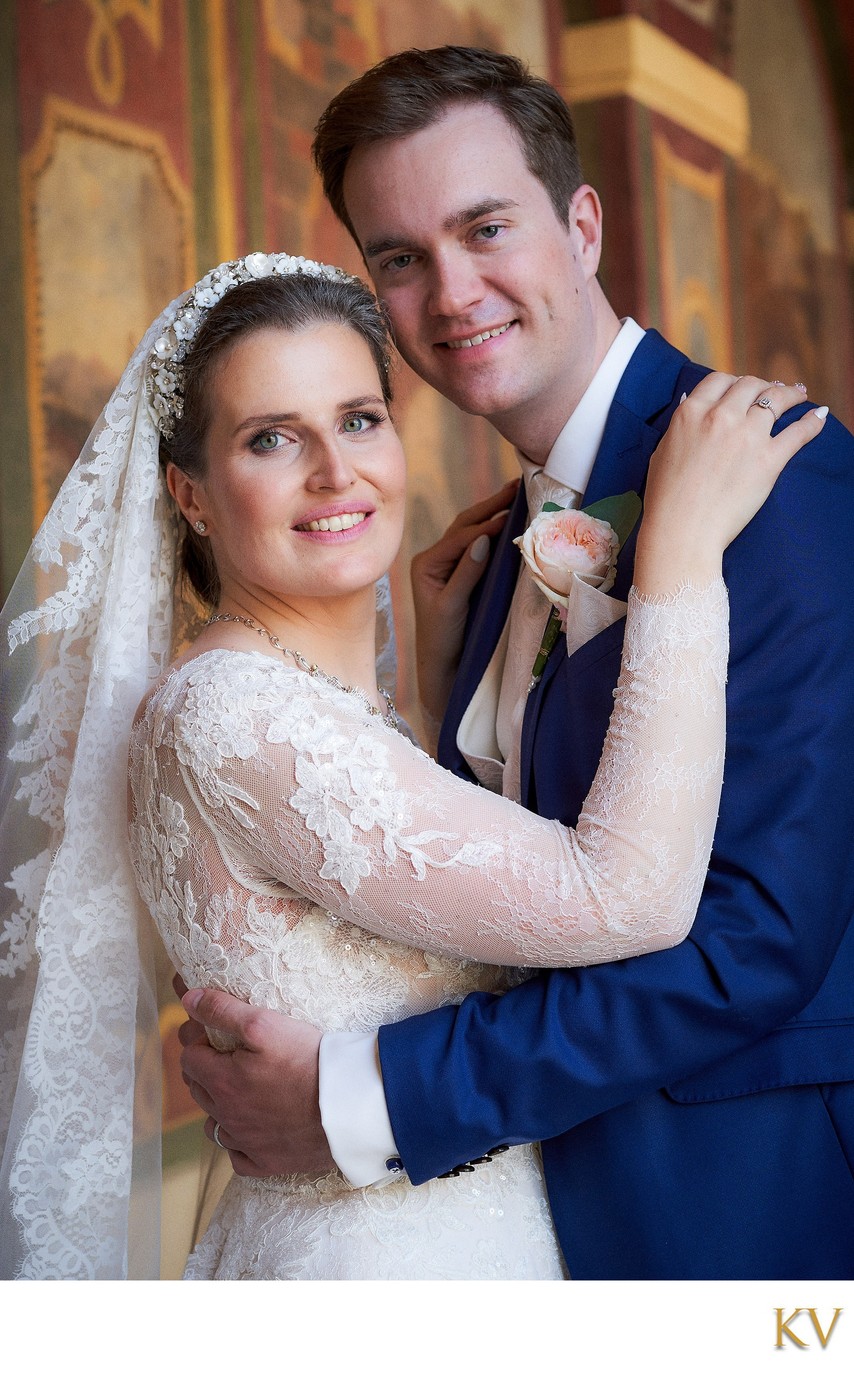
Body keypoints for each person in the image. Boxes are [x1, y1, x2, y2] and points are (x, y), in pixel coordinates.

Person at [0, 248, 816, 1280]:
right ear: (190, 494)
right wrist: (682, 558)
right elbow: (625, 899)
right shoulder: (232, 718)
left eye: (356, 419)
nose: (335, 472)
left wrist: (435, 695)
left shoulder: (305, 704)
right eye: (269, 439)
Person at [176, 47, 854, 1281]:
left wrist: (356, 1100)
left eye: (485, 227)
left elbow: (754, 937)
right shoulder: (484, 558)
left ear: (581, 224)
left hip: (740, 1216)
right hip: (528, 1226)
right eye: (398, 257)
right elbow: (492, 895)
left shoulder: (772, 474)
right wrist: (437, 700)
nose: (451, 292)